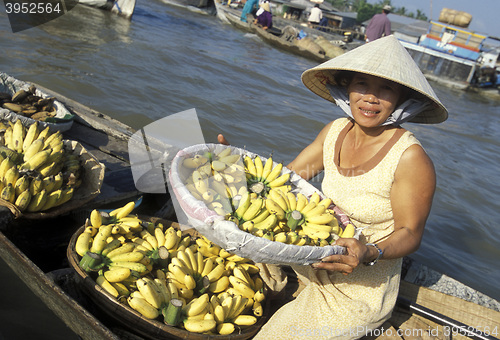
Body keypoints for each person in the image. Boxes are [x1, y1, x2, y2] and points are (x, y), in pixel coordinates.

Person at [218, 35, 448, 339]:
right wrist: (237, 171)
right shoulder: (335, 131)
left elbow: (410, 233)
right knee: (224, 247)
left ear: (402, 100)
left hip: (358, 287)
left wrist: (369, 251)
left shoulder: (410, 158)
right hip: (308, 259)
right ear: (347, 88)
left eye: (386, 89)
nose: (370, 98)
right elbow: (284, 180)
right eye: (362, 85)